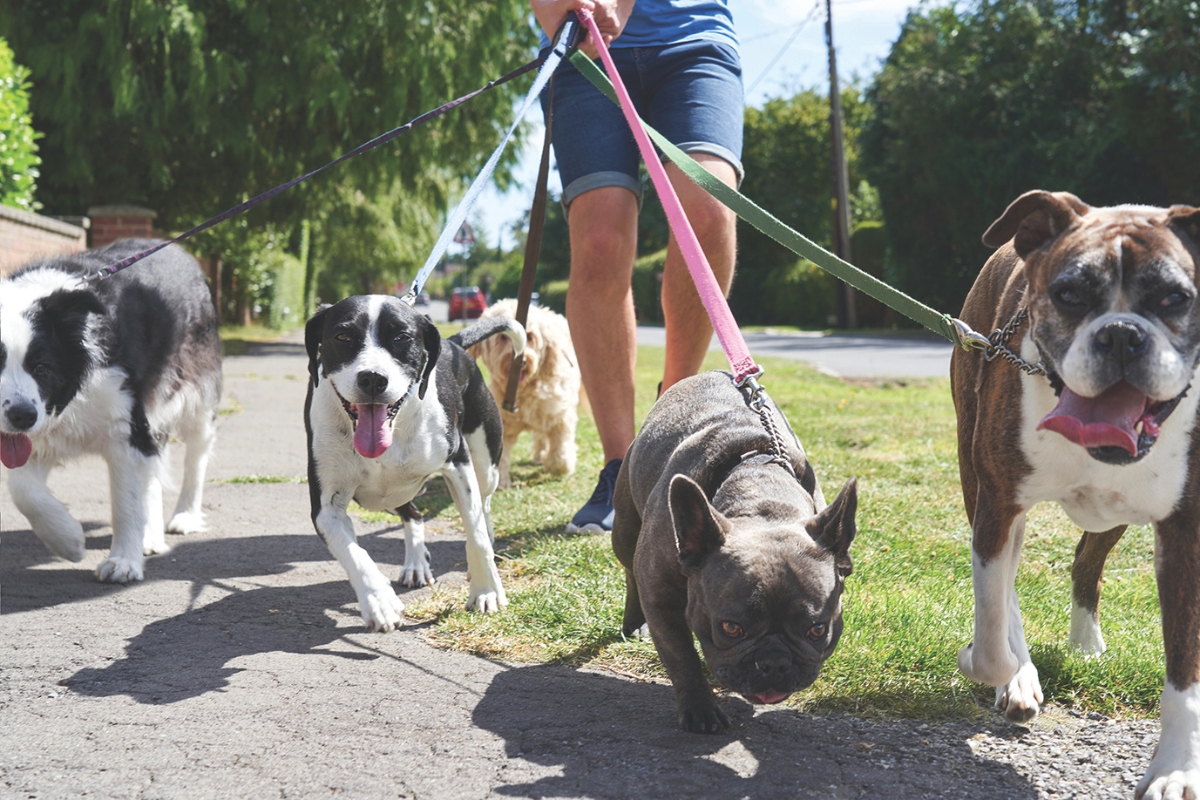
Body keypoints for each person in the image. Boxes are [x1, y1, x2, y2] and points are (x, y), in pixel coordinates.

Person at [530, 0, 743, 532]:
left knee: (709, 212)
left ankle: (670, 427)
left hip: (693, 40)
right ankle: (622, 469)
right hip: (583, 54)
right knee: (600, 240)